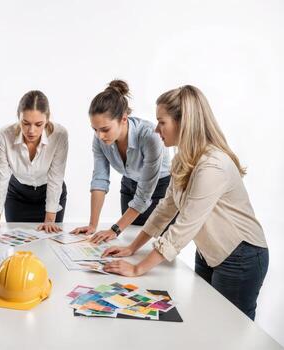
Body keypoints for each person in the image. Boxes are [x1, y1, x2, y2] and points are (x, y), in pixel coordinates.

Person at [102, 85, 269, 320]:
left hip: (241, 255)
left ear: (184, 122)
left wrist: (138, 268)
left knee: (231, 329)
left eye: (162, 122)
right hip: (209, 252)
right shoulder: (184, 158)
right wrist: (132, 248)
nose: (156, 128)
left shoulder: (212, 165)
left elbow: (183, 227)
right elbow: (165, 209)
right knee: (205, 322)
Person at [71, 80, 171, 242]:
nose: (99, 136)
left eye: (105, 129)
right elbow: (100, 180)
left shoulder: (150, 136)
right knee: (129, 241)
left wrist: (114, 229)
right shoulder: (99, 139)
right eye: (95, 129)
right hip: (130, 185)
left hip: (160, 189)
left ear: (124, 119)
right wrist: (92, 225)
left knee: (157, 247)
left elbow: (144, 195)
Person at [0, 90, 68, 233]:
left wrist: (49, 220)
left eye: (38, 124)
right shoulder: (5, 135)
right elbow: (1, 179)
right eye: (25, 123)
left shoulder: (59, 135)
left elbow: (56, 178)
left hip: (49, 193)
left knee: (49, 242)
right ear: (18, 117)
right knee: (18, 246)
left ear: (47, 119)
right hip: (18, 195)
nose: (31, 131)